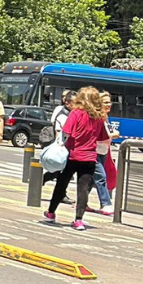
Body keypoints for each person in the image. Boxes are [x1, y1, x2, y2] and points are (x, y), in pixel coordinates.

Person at [43, 86, 110, 231]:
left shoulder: (76, 113)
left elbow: (66, 131)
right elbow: (103, 137)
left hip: (72, 155)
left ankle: (51, 212)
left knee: (62, 184)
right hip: (90, 157)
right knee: (83, 189)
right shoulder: (99, 117)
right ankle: (78, 220)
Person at [90, 91, 120, 215]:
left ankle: (81, 203)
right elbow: (98, 134)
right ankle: (106, 204)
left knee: (91, 180)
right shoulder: (96, 116)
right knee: (101, 177)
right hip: (94, 151)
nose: (108, 104)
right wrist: (113, 134)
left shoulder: (106, 117)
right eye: (105, 102)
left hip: (103, 150)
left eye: (109, 102)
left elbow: (108, 131)